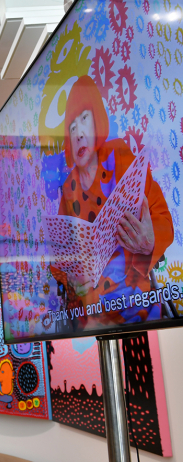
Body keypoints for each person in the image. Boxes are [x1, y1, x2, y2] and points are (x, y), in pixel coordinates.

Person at [52, 75, 174, 329]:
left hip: (137, 308)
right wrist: (72, 279)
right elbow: (58, 261)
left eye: (83, 119)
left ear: (97, 120)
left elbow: (164, 221)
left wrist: (149, 243)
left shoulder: (120, 155)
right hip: (93, 317)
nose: (78, 133)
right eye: (71, 127)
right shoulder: (67, 189)